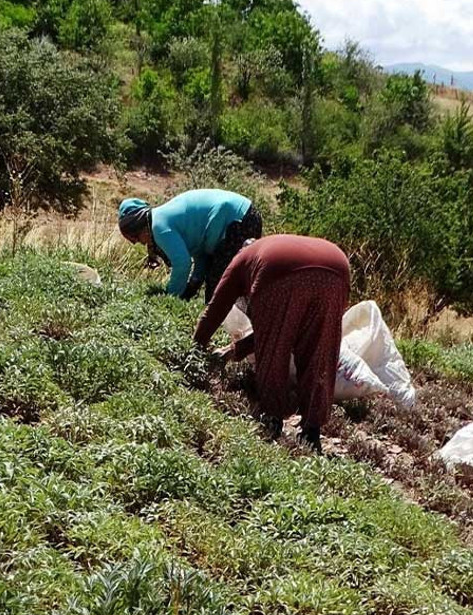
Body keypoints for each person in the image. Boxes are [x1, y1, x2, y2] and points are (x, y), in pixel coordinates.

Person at [193, 234, 351, 454]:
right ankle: (311, 432)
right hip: (337, 269)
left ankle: (273, 419)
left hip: (278, 272)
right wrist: (233, 351)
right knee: (319, 350)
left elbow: (215, 311)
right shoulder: (267, 248)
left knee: (274, 351)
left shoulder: (240, 262)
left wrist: (196, 348)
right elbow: (283, 327)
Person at [118, 189, 262, 302]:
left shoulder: (159, 226)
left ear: (139, 226)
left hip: (239, 220)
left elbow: (182, 264)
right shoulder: (165, 220)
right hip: (245, 216)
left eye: (134, 237)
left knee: (220, 286)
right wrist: (194, 284)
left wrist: (170, 297)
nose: (139, 242)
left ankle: (229, 331)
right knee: (220, 287)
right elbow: (201, 254)